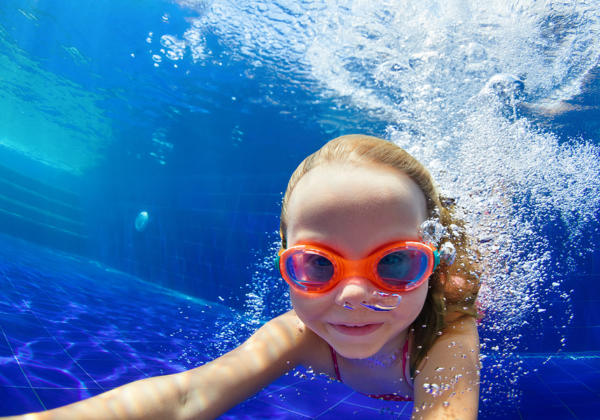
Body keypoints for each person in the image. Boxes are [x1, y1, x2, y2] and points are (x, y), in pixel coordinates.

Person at [8, 134, 481, 420]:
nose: (354, 295)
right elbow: (187, 396)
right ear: (287, 264)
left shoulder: (447, 332)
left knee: (479, 262)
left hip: (459, 289)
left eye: (395, 262)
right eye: (318, 264)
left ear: (430, 262)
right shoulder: (298, 336)